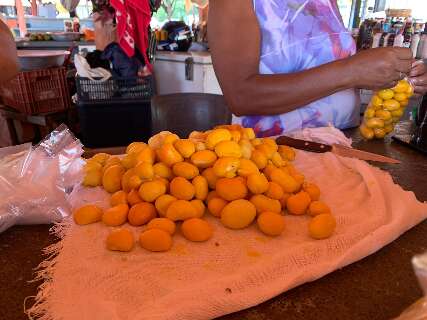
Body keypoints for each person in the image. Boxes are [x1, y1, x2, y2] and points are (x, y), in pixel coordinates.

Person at [209, 0, 427, 137]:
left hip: (342, 144)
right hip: (273, 157)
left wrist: (393, 73)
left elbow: (330, 65)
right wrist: (353, 71)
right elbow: (241, 96)